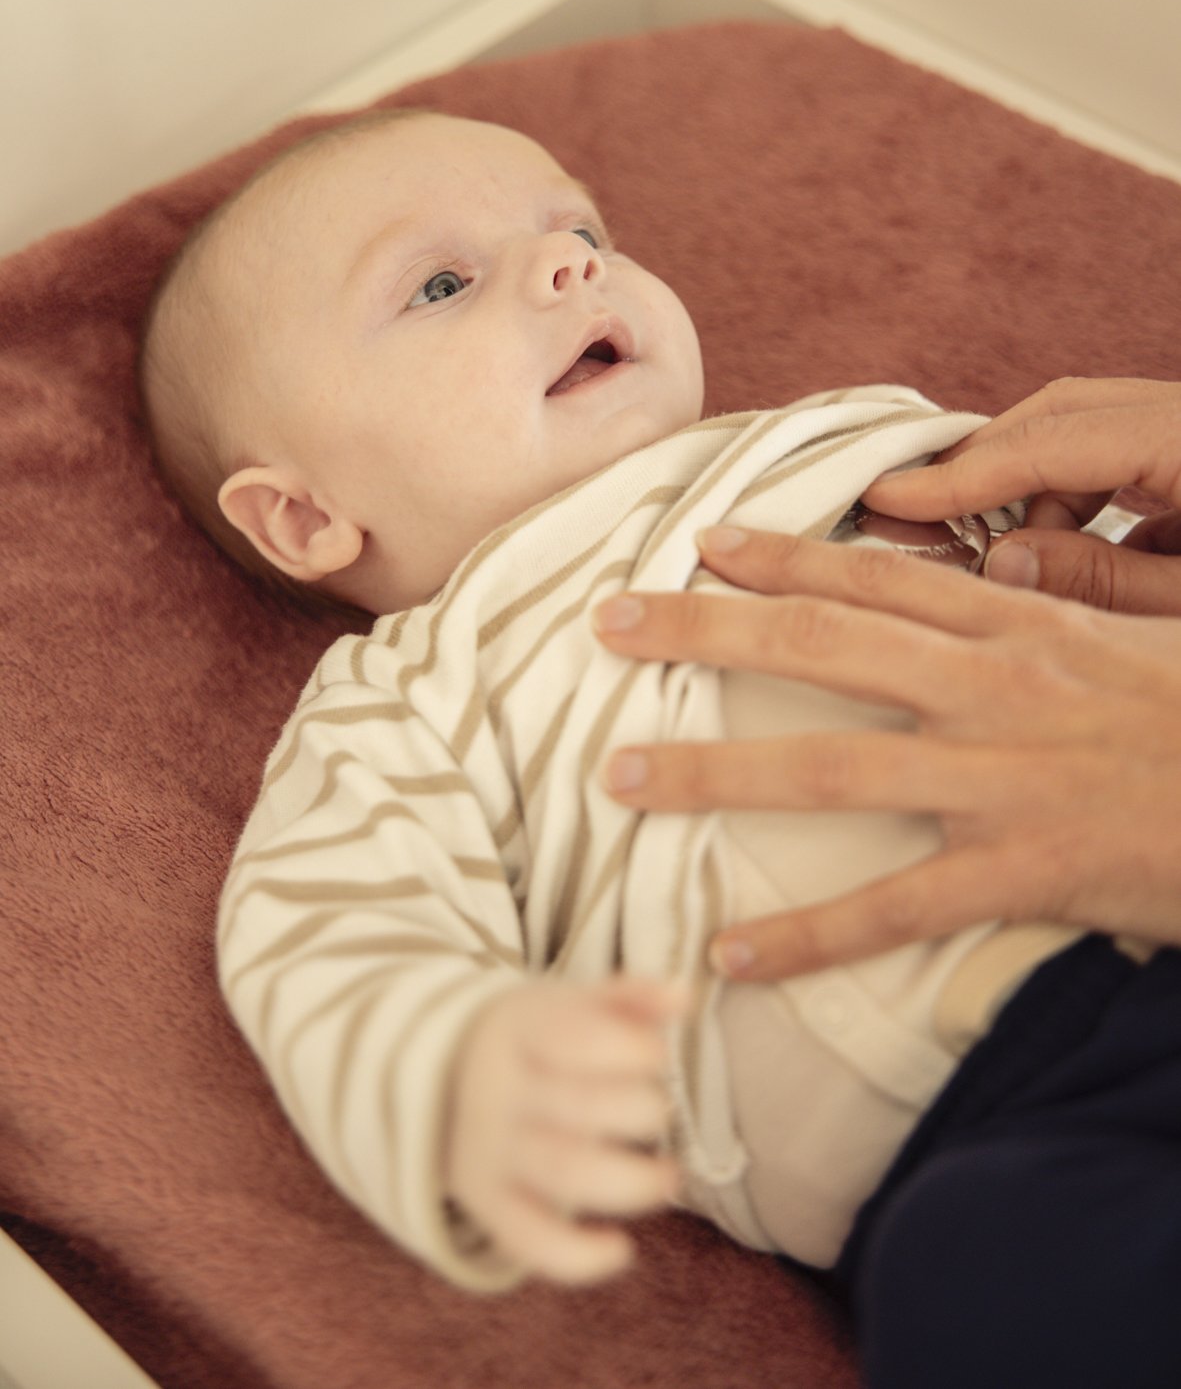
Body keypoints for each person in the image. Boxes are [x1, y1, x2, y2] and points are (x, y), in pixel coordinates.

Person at [141, 111, 1181, 1386]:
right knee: (975, 1279)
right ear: (304, 515)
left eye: (579, 229)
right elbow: (324, 925)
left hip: (1145, 884)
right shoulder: (413, 692)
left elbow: (1103, 564)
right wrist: (461, 1067)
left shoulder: (845, 442)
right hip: (985, 1113)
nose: (568, 265)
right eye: (441, 284)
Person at [593, 377, 1181, 983]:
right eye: (479, 281)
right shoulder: (494, 634)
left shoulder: (848, 426)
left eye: (621, 269)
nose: (578, 273)